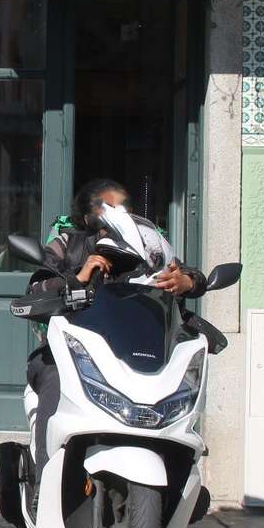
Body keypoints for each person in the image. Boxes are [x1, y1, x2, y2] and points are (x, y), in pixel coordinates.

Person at [25, 178, 207, 483]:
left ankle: (180, 480)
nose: (116, 214)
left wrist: (189, 281)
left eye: (123, 207)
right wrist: (78, 276)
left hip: (135, 351)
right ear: (87, 216)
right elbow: (38, 285)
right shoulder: (68, 240)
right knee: (54, 382)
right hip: (72, 352)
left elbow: (184, 271)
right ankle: (45, 483)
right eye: (106, 208)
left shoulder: (150, 245)